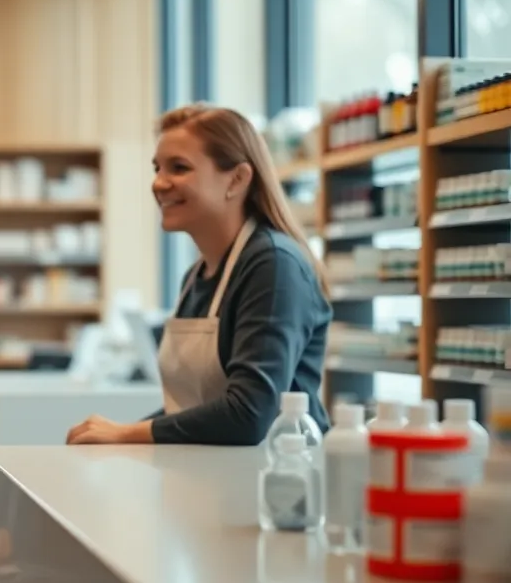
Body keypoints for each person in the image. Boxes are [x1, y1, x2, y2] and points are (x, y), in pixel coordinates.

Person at [68, 103, 332, 446]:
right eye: (157, 168)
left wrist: (126, 434)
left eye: (179, 168)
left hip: (277, 483)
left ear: (237, 179)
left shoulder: (273, 265)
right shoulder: (197, 276)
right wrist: (115, 435)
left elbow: (250, 414)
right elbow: (196, 409)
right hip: (211, 482)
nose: (159, 183)